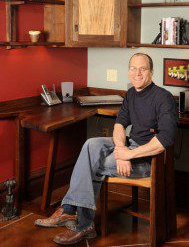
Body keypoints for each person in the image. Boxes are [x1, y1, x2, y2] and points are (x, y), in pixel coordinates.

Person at [34, 53, 177, 245]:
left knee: (96, 163)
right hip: (129, 147)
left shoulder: (163, 97)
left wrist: (129, 154)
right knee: (91, 144)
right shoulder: (132, 94)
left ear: (151, 72)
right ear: (128, 71)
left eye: (142, 69)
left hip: (148, 159)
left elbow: (166, 138)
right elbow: (119, 125)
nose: (137, 73)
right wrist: (121, 150)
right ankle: (69, 212)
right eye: (133, 68)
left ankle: (81, 222)